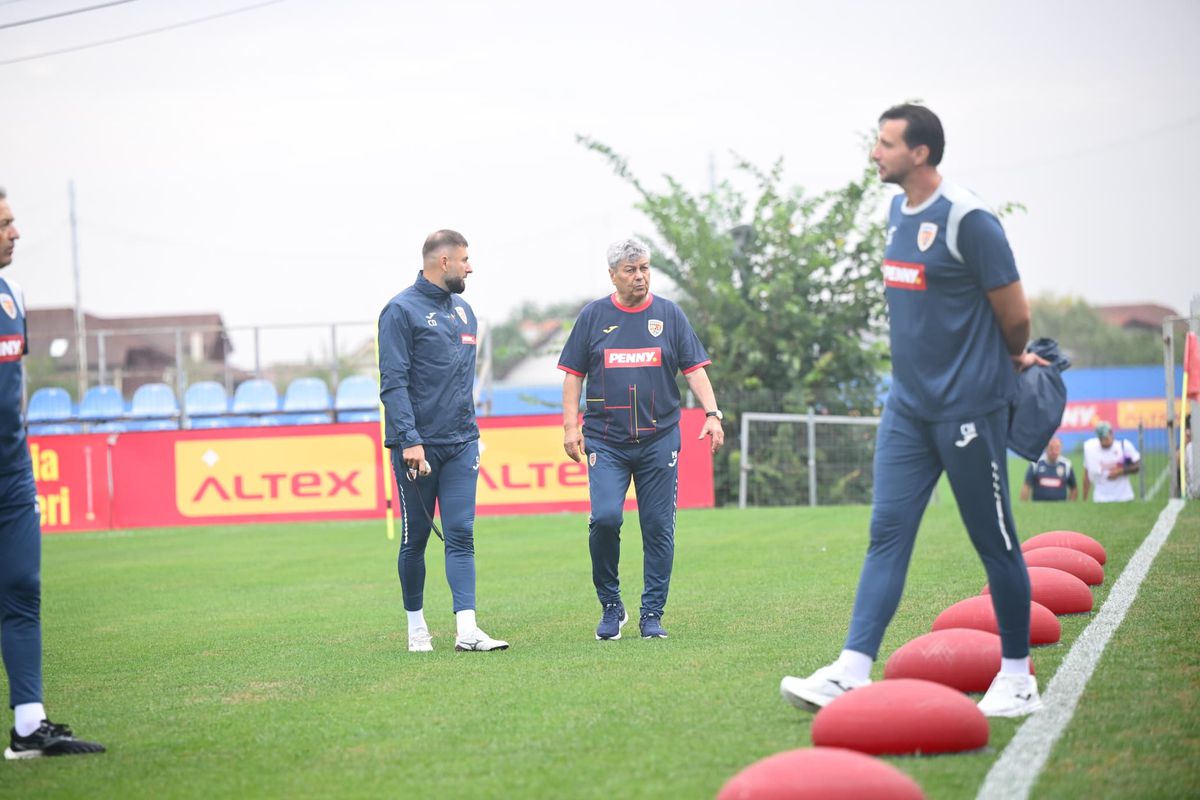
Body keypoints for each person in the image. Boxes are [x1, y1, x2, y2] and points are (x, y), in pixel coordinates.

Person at [780, 104, 1046, 718]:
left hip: (969, 408)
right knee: (887, 533)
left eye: (886, 143)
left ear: (919, 153)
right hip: (907, 408)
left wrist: (1009, 359)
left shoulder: (969, 219)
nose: (875, 153)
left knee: (995, 540)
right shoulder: (898, 211)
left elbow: (1016, 315)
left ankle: (1017, 679)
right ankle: (851, 671)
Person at [558, 238, 724, 640]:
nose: (640, 276)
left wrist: (712, 413)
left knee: (658, 527)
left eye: (645, 268)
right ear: (612, 275)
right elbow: (573, 375)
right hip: (606, 441)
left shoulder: (669, 314)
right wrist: (570, 426)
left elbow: (694, 368)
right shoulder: (593, 317)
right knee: (605, 519)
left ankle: (652, 614)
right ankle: (611, 605)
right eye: (631, 270)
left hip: (659, 439)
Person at [0, 188, 105, 758]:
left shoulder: (13, 295)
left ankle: (28, 726)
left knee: (22, 588)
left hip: (12, 474)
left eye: (13, 222)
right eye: (5, 224)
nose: (15, 233)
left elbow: (13, 387)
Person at [378, 229, 507, 653]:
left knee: (461, 533)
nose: (471, 267)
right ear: (444, 262)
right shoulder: (399, 311)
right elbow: (393, 383)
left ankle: (467, 631)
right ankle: (416, 628)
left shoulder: (465, 312)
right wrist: (409, 440)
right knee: (415, 539)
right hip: (417, 447)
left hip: (462, 442)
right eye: (465, 259)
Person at [1082, 421, 1140, 503]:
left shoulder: (1123, 446)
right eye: (1101, 438)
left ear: (1111, 433)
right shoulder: (1091, 450)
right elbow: (1087, 475)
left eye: (1105, 437)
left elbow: (1138, 466)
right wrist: (1085, 499)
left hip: (1124, 496)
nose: (1104, 440)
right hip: (1101, 498)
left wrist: (1121, 471)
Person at [1020, 436, 1078, 502]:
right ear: (1046, 448)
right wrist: (1024, 505)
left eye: (1057, 448)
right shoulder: (1035, 463)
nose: (1054, 451)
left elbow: (1074, 488)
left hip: (1060, 506)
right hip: (1038, 506)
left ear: (1061, 448)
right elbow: (1026, 486)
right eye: (1051, 448)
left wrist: (1070, 505)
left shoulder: (1067, 464)